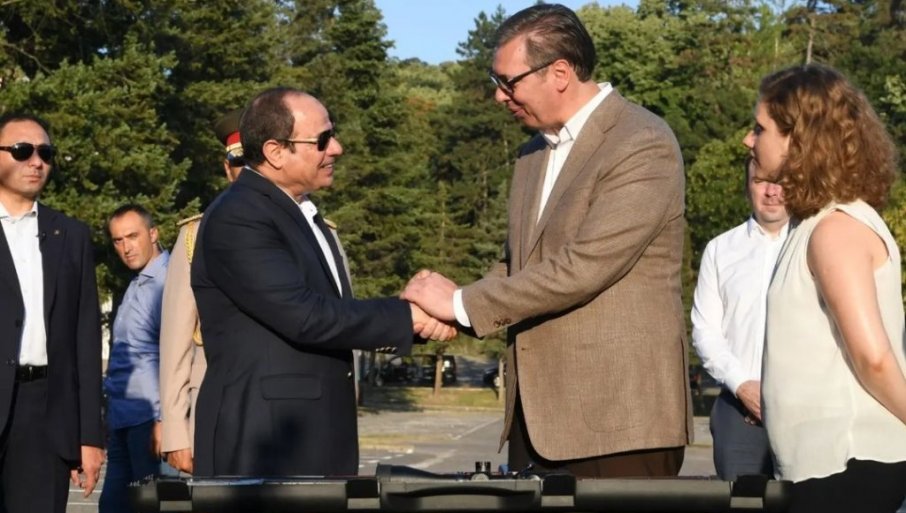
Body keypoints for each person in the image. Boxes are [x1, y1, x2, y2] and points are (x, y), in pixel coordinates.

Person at [402, 3, 691, 477]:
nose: (499, 96)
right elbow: (517, 263)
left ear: (559, 72)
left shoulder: (642, 142)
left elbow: (584, 267)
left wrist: (458, 303)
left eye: (508, 82)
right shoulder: (532, 153)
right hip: (536, 421)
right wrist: (447, 308)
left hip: (618, 422)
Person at [190, 87, 454, 477]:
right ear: (275, 151)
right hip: (266, 441)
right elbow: (305, 316)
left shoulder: (296, 211)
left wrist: (409, 316)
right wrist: (409, 316)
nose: (337, 148)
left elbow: (330, 311)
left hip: (306, 434)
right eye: (322, 140)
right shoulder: (240, 216)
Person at [756, 64, 906, 512]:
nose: (749, 140)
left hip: (848, 460)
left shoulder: (835, 230)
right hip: (828, 464)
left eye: (759, 129)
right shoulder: (814, 225)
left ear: (798, 141)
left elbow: (873, 358)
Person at [0, 113, 104, 512]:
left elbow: (85, 339)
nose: (36, 161)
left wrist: (89, 436)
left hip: (45, 414)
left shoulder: (70, 235)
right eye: (22, 150)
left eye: (45, 153)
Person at [159, 108, 245, 474]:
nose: (247, 171)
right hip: (215, 403)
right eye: (238, 162)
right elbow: (176, 341)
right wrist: (175, 430)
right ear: (227, 168)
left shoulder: (316, 231)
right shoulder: (195, 236)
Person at [691, 158, 789, 480]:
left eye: (781, 181)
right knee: (743, 500)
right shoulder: (720, 250)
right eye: (761, 181)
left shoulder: (815, 245)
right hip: (739, 412)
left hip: (805, 412)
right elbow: (705, 331)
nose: (772, 191)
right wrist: (742, 385)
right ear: (748, 187)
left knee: (808, 501)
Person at [100, 204, 172, 512]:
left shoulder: (169, 282)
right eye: (118, 240)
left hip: (151, 423)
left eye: (132, 236)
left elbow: (178, 356)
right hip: (122, 422)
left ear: (153, 233)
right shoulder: (137, 282)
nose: (126, 248)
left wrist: (166, 420)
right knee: (111, 506)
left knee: (150, 506)